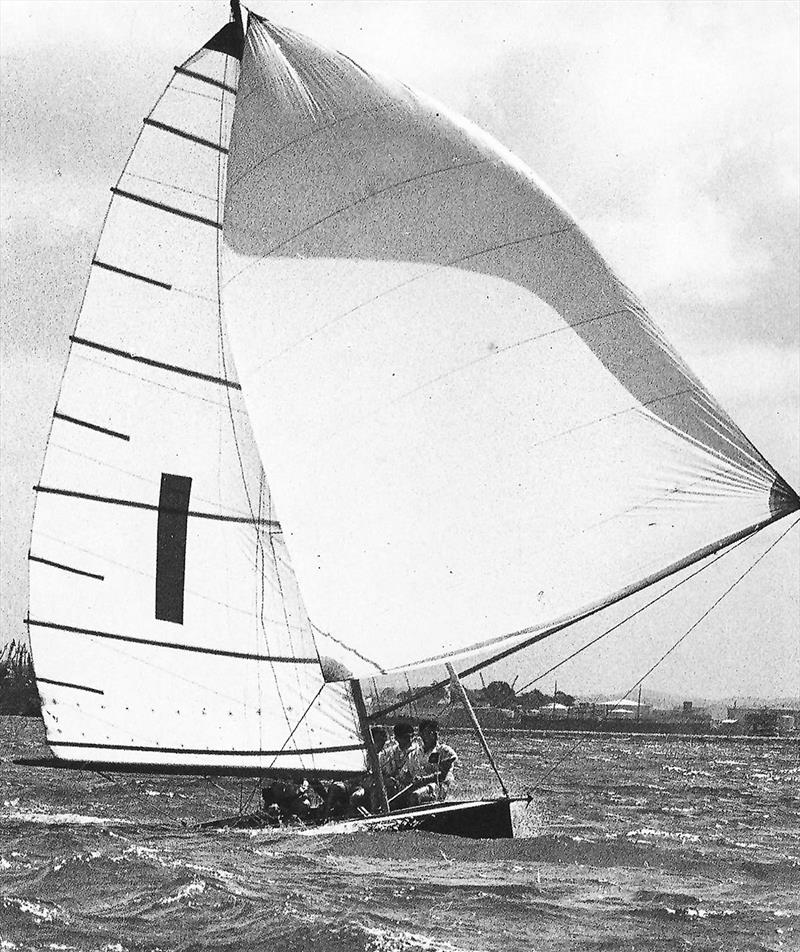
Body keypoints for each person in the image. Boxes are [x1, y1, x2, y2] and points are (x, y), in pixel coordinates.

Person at [405, 719, 458, 806]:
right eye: (429, 731)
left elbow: (443, 775)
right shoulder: (413, 754)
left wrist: (424, 779)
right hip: (417, 786)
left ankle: (417, 818)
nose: (434, 734)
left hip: (438, 787)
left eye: (436, 731)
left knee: (416, 795)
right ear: (421, 734)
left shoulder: (444, 751)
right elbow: (406, 775)